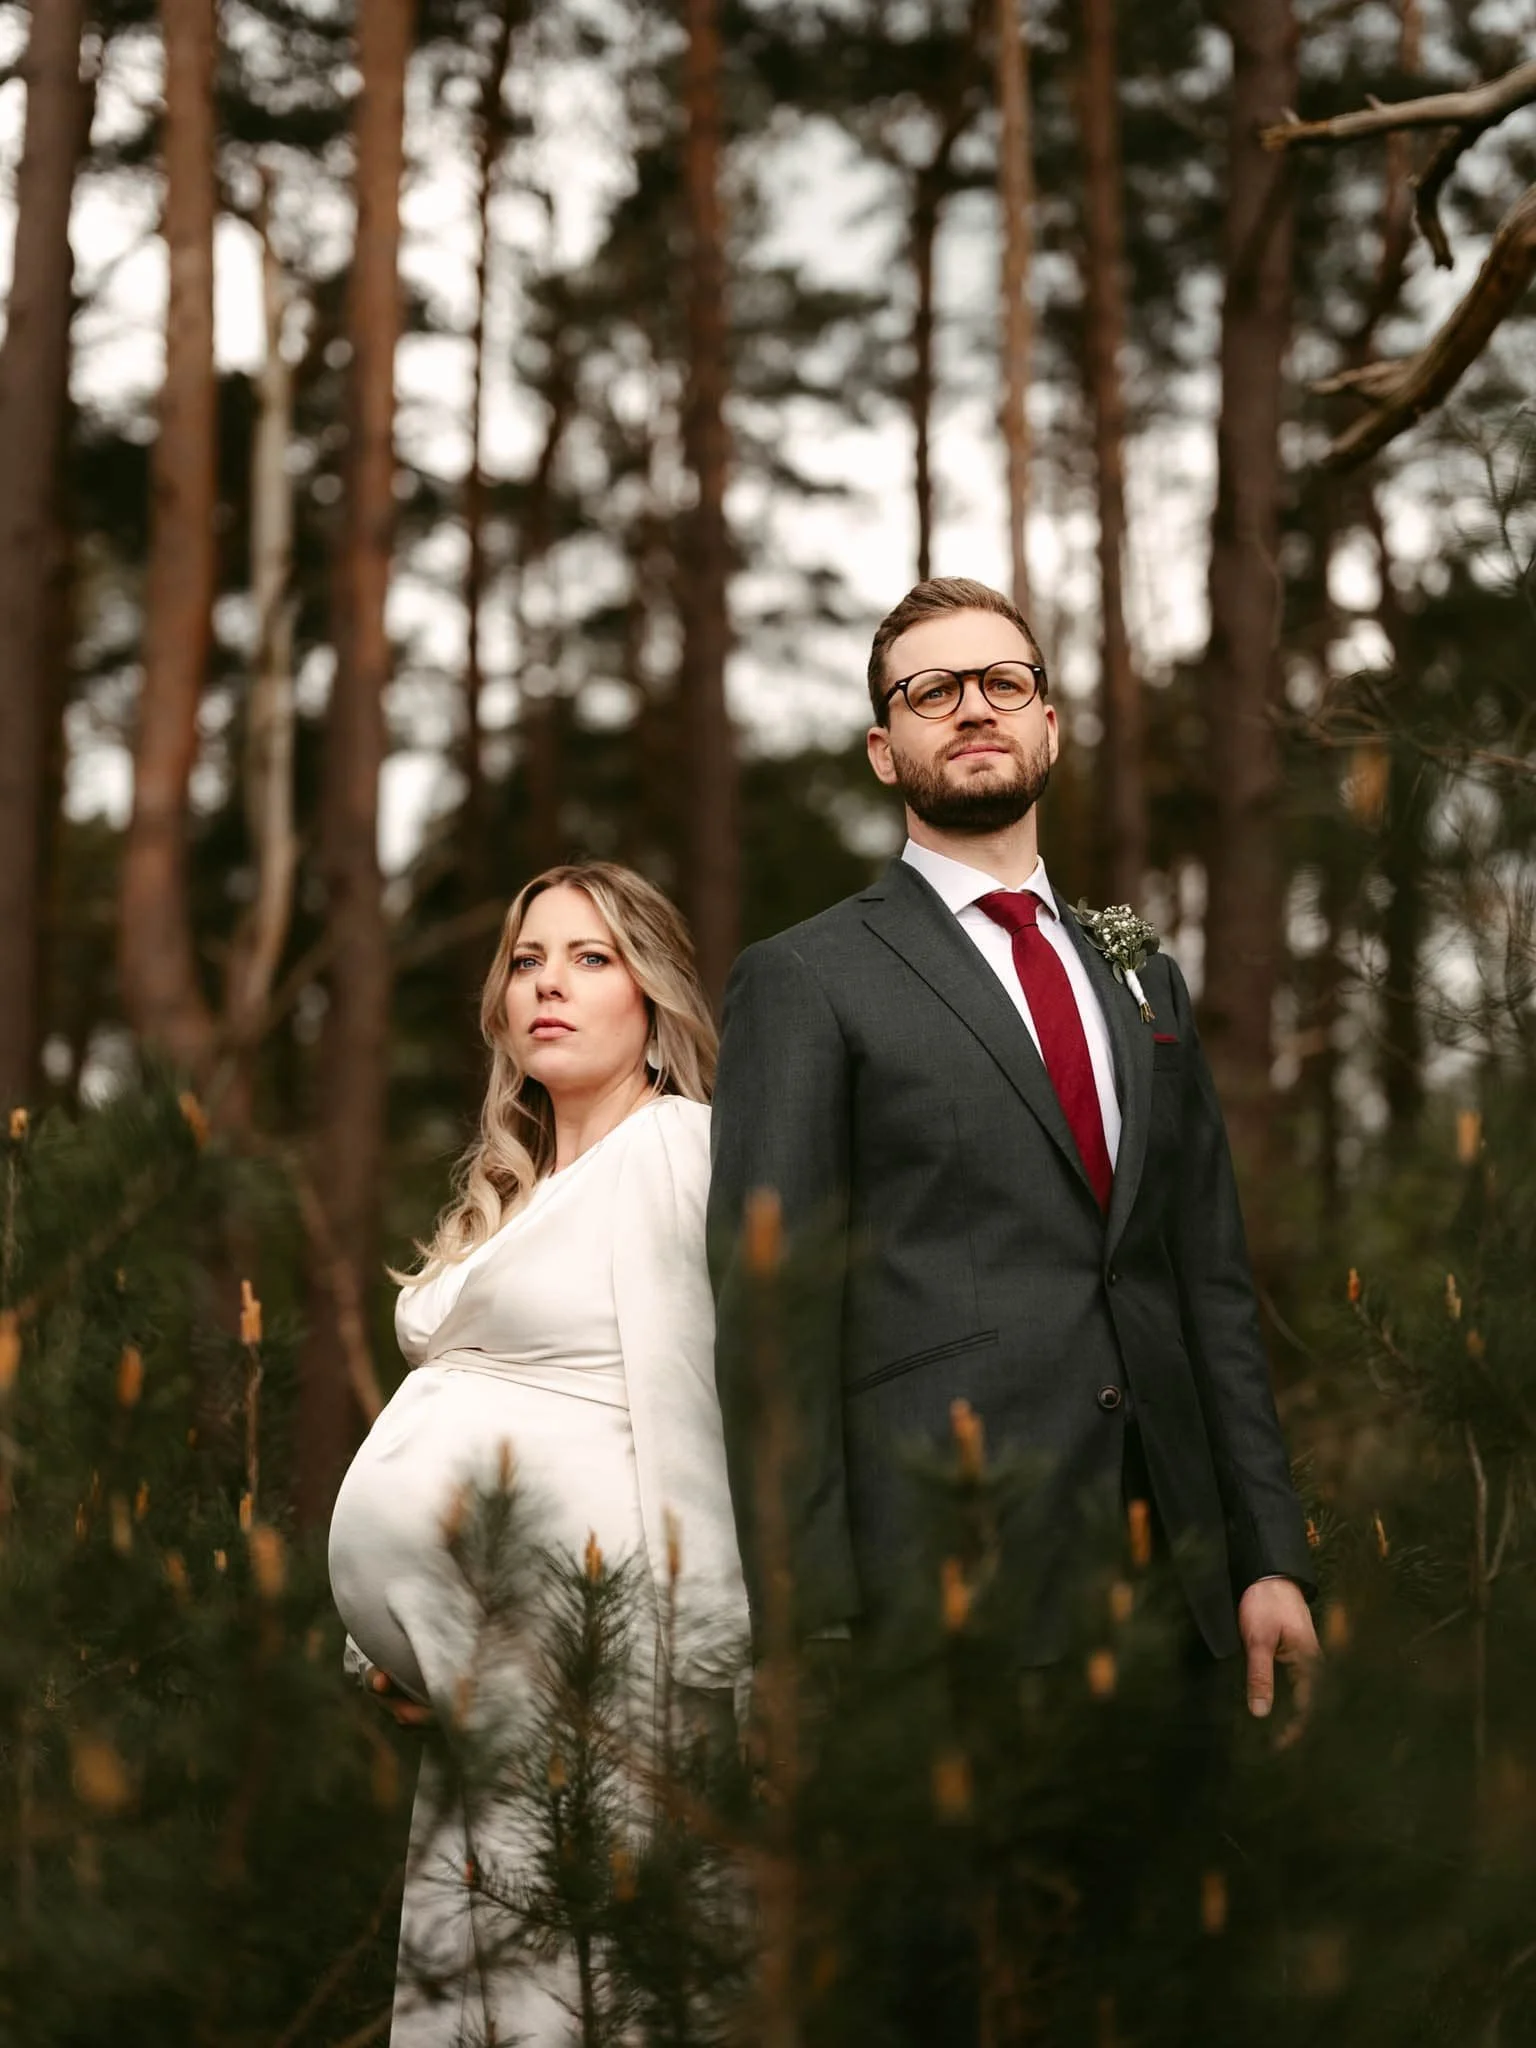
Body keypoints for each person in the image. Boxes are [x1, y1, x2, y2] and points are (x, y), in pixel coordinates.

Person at [708, 576, 1320, 1701]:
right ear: (885, 748)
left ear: (1050, 721)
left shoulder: (1145, 974)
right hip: (947, 1587)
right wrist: (810, 1628)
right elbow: (771, 1328)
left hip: (1177, 1588)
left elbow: (1211, 1284)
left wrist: (1268, 1552)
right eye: (933, 690)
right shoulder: (805, 979)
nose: (975, 707)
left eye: (1003, 681)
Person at [329, 861, 749, 2048]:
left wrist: (722, 1676)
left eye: (590, 956)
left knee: (587, 1987)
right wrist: (382, 1644)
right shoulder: (511, 1191)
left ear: (654, 1001)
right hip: (484, 1679)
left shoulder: (674, 1149)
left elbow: (691, 1412)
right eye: (527, 959)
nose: (548, 984)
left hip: (605, 1661)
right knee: (486, 1975)